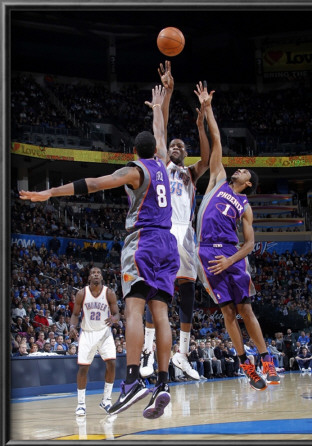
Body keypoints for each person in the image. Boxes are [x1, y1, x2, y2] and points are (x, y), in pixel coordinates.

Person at [20, 84, 179, 420]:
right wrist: (158, 108)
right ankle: (164, 381)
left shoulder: (135, 170)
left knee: (134, 309)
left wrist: (50, 193)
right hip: (169, 245)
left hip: (144, 242)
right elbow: (161, 135)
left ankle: (134, 378)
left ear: (134, 150)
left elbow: (92, 183)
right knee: (161, 314)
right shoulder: (164, 164)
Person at [194, 81, 280, 390]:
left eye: (244, 171)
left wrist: (230, 259)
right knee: (227, 311)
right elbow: (216, 139)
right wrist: (208, 108)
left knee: (246, 308)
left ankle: (266, 359)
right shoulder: (217, 177)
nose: (239, 169)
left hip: (231, 254)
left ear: (248, 183)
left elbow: (251, 244)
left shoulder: (245, 206)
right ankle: (245, 362)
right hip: (206, 252)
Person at [141, 61, 210, 382]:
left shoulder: (191, 173)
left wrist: (200, 125)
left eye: (182, 146)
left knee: (187, 291)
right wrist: (166, 94)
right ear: (167, 153)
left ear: (187, 152)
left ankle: (182, 354)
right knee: (158, 290)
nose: (176, 147)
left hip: (188, 236)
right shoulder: (163, 167)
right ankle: (146, 350)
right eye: (172, 146)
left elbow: (207, 159)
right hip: (165, 232)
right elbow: (162, 129)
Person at [68, 266, 120, 416]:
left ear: (102, 277)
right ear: (89, 277)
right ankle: (81, 404)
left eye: (98, 273)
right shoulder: (81, 293)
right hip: (88, 333)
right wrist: (72, 326)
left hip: (104, 333)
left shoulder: (109, 293)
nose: (96, 275)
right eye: (93, 273)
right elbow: (75, 314)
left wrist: (114, 319)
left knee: (111, 363)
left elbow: (117, 313)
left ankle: (107, 400)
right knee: (83, 368)